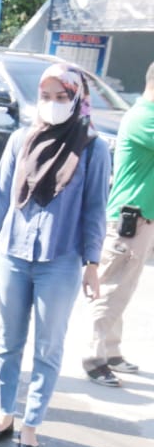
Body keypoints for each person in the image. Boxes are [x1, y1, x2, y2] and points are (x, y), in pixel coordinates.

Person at [0, 64, 111, 447]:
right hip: (13, 254)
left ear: (77, 100)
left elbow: (95, 209)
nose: (52, 105)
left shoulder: (93, 148)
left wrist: (93, 263)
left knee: (48, 348)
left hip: (61, 260)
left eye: (61, 97)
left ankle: (31, 425)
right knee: (6, 342)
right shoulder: (21, 140)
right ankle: (4, 414)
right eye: (46, 97)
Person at [82, 61, 154, 387]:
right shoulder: (144, 117)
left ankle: (111, 351)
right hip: (129, 221)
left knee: (124, 287)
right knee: (111, 290)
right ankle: (94, 358)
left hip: (139, 220)